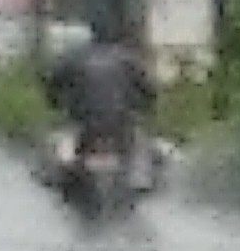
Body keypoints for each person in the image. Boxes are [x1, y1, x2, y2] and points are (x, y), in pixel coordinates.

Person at [46, 16, 158, 196]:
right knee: (139, 145)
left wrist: (54, 102)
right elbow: (149, 89)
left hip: (83, 119)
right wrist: (148, 106)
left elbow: (54, 83)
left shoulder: (75, 57)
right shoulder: (129, 59)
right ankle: (142, 179)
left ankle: (59, 174)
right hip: (120, 121)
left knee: (66, 140)